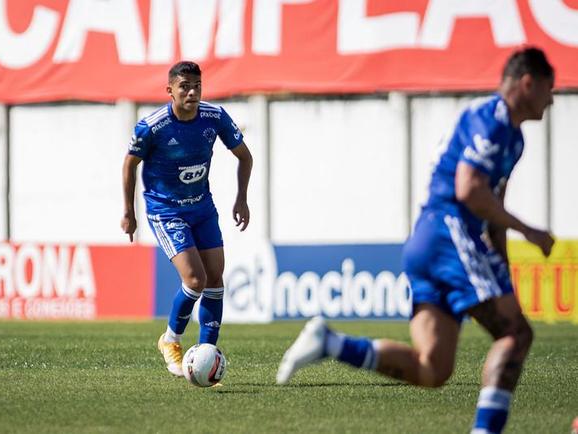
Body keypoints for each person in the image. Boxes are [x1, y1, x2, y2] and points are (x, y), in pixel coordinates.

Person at [276, 47, 555, 434]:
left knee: (432, 369)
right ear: (529, 83)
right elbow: (469, 189)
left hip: (428, 241)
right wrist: (531, 231)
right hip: (449, 234)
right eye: (549, 89)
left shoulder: (513, 138)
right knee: (516, 334)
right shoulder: (491, 120)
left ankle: (331, 344)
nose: (552, 99)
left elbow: (494, 207)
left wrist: (503, 268)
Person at [121, 61, 253, 377]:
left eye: (197, 85)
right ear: (170, 90)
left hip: (202, 208)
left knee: (215, 279)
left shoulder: (215, 117)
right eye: (184, 86)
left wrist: (242, 198)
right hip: (166, 211)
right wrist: (129, 211)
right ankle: (170, 339)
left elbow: (245, 156)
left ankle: (207, 358)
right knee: (195, 280)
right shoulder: (152, 127)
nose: (192, 92)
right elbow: (129, 165)